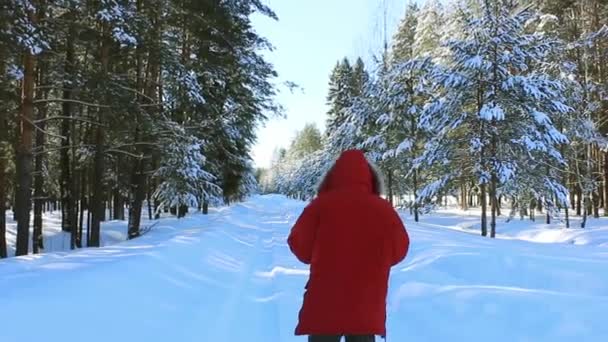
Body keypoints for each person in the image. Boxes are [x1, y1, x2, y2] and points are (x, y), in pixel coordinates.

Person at [287, 149, 410, 342]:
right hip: (366, 303)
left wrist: (323, 255)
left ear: (332, 177)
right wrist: (376, 259)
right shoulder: (383, 210)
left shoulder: (319, 206)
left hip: (325, 301)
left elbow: (300, 247)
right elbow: (399, 250)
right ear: (371, 178)